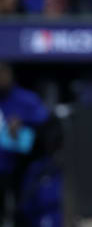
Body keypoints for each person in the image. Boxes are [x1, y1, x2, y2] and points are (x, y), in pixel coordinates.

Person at [0, 63, 49, 226]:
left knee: (22, 209)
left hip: (21, 165)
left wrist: (23, 122)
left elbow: (45, 120)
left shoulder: (26, 98)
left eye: (3, 74)